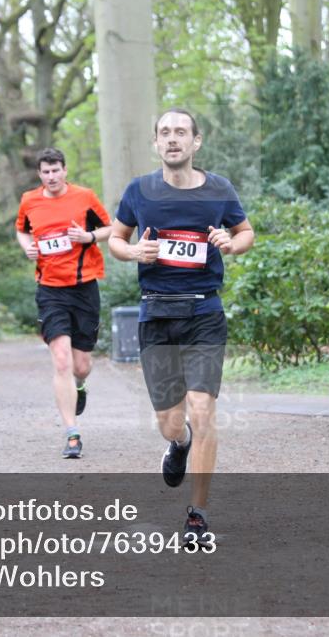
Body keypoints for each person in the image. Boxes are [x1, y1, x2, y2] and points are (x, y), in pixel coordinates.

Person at [108, 108, 254, 542]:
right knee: (171, 422)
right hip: (156, 314)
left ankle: (197, 514)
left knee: (204, 410)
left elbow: (246, 232)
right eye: (165, 133)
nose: (173, 139)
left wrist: (232, 243)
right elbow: (116, 239)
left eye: (181, 132)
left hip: (204, 313)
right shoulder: (140, 190)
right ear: (156, 143)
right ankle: (179, 443)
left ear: (196, 142)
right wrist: (134, 253)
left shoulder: (218, 190)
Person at [16, 147, 112, 459]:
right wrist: (29, 247)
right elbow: (21, 231)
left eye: (56, 170)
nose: (51, 176)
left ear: (65, 171)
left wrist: (89, 238)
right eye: (45, 172)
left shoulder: (85, 197)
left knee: (81, 365)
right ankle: (72, 433)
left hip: (84, 288)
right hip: (50, 289)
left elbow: (111, 229)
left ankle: (80, 385)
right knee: (61, 361)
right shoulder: (29, 200)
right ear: (39, 174)